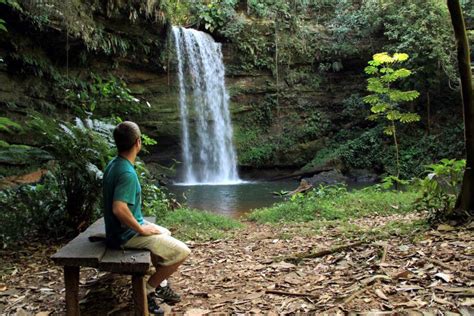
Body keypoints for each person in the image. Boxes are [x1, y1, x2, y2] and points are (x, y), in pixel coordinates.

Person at [103, 121, 191, 315]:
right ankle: (146, 290)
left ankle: (161, 283)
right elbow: (119, 208)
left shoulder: (114, 164)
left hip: (117, 231)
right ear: (138, 142)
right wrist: (141, 229)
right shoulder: (127, 173)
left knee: (164, 231)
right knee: (182, 252)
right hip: (124, 236)